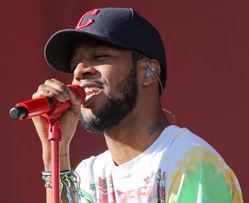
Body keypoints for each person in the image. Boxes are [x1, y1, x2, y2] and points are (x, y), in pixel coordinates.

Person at [31, 7, 244, 202]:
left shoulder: (189, 162)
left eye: (99, 56)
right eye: (74, 65)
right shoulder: (90, 176)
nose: (78, 72)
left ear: (149, 72)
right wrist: (55, 155)